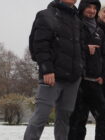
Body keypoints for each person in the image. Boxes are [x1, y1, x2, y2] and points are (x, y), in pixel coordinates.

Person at [24, 0, 82, 139]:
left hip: (73, 79)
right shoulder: (46, 15)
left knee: (64, 119)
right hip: (51, 76)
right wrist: (47, 69)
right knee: (41, 116)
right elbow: (39, 45)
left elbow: (80, 47)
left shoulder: (77, 20)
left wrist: (81, 68)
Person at [68, 0, 105, 139]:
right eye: (89, 7)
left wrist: (103, 75)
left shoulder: (99, 30)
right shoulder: (75, 24)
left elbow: (103, 55)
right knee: (78, 119)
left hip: (94, 81)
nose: (92, 11)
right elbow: (68, 48)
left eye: (94, 8)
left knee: (103, 116)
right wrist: (86, 48)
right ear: (82, 7)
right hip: (78, 80)